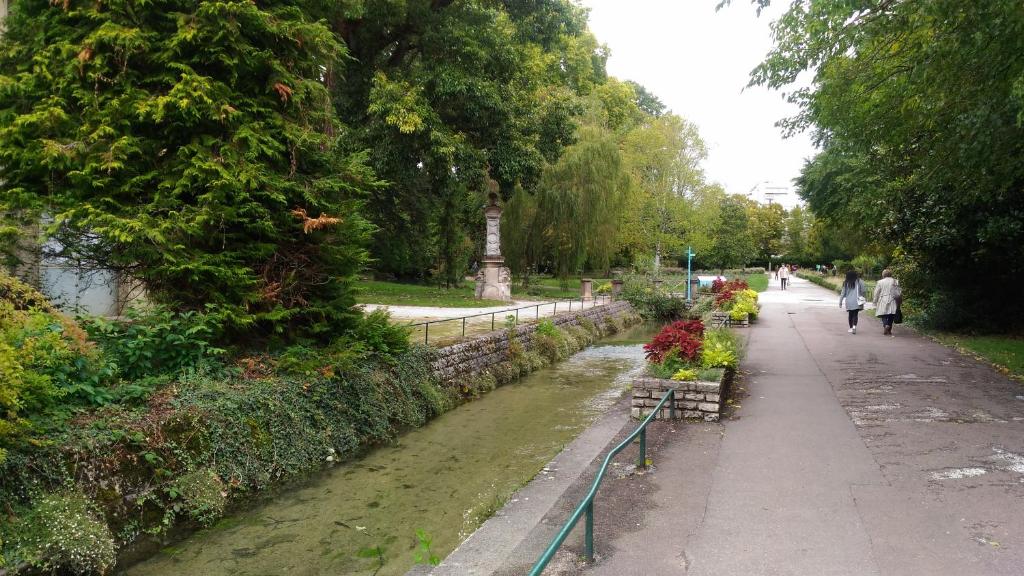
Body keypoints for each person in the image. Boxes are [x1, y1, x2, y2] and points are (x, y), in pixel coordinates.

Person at [873, 269, 901, 336]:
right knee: (891, 314)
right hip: (893, 299)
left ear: (883, 274)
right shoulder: (896, 281)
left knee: (883, 314)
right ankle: (889, 328)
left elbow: (876, 292)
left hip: (883, 299)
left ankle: (885, 325)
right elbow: (899, 292)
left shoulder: (880, 282)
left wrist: (875, 301)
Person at [839, 269, 866, 334]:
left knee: (850, 315)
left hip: (849, 301)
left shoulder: (846, 282)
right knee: (855, 314)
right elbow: (863, 290)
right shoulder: (860, 281)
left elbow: (843, 293)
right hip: (857, 301)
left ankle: (851, 328)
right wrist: (862, 296)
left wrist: (840, 302)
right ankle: (854, 326)